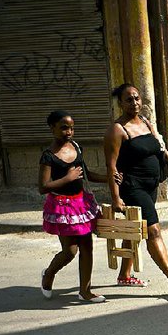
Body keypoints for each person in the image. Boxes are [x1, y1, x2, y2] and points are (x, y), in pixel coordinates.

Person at [105, 83, 168, 293]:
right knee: (153, 230)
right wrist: (115, 198)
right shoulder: (117, 129)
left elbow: (161, 149)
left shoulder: (145, 122)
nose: (134, 103)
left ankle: (124, 274)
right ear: (120, 103)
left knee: (136, 229)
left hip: (151, 186)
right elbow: (111, 166)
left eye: (136, 98)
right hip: (133, 187)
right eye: (129, 99)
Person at [39, 110, 108, 303]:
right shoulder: (48, 156)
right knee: (70, 251)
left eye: (71, 128)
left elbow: (86, 174)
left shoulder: (76, 147)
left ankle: (85, 291)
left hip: (81, 203)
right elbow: (43, 187)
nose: (69, 132)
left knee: (87, 246)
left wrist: (109, 179)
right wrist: (67, 178)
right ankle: (49, 273)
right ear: (52, 128)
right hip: (62, 206)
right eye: (63, 128)